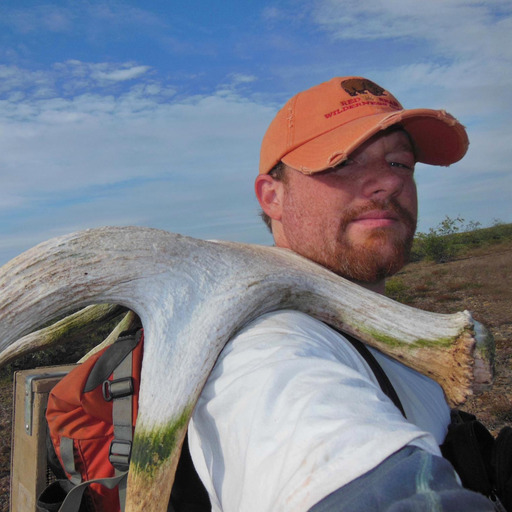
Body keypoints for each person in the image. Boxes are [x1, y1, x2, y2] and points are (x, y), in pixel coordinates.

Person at [187, 77, 494, 511]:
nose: (387, 183)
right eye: (343, 162)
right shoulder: (269, 350)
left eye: (399, 164)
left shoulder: (382, 331)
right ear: (272, 197)